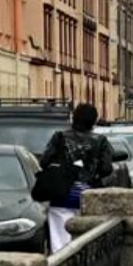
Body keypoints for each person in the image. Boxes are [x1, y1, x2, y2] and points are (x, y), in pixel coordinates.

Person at [39, 103, 115, 253]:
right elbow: (106, 169)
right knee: (88, 239)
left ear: (74, 118)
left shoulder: (59, 137)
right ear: (93, 121)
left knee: (60, 241)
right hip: (89, 195)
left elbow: (44, 162)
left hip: (61, 195)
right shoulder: (100, 141)